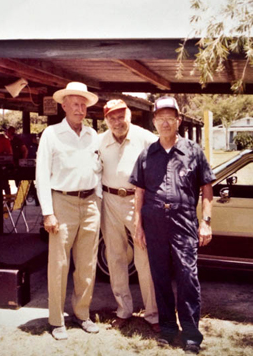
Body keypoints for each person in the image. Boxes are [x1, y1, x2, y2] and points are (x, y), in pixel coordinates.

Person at [129, 96, 215, 354]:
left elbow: (207, 188)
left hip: (184, 223)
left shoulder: (193, 151)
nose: (165, 123)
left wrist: (206, 221)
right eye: (160, 118)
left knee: (188, 278)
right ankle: (167, 330)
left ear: (178, 120)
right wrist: (138, 224)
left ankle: (191, 335)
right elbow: (139, 192)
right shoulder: (147, 154)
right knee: (161, 278)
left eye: (170, 118)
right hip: (154, 224)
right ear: (154, 121)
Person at [36, 82, 102, 341]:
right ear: (63, 106)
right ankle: (56, 320)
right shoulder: (51, 134)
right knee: (59, 264)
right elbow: (41, 175)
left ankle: (82, 314)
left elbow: (98, 170)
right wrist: (47, 212)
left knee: (87, 264)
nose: (80, 108)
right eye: (74, 104)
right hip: (61, 203)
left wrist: (97, 202)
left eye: (83, 104)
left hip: (89, 204)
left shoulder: (92, 135)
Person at [98, 99, 160, 332]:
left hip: (138, 201)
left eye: (120, 116)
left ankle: (153, 314)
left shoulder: (145, 137)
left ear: (129, 116)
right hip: (109, 200)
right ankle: (123, 310)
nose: (117, 121)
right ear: (106, 120)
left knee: (144, 258)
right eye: (112, 117)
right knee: (115, 257)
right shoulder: (100, 140)